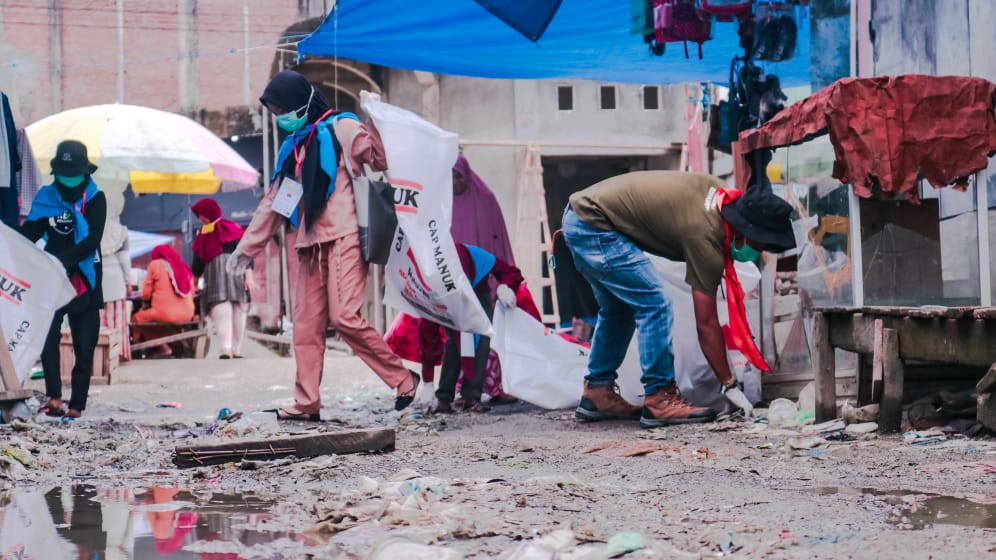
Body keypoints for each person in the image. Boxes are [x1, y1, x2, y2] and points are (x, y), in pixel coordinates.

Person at [230, 70, 419, 420]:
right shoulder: (293, 148)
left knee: (345, 317)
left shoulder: (342, 128)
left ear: (301, 102)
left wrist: (374, 119)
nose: (279, 117)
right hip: (308, 245)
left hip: (345, 236)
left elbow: (380, 158)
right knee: (305, 327)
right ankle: (306, 403)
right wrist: (246, 250)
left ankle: (403, 378)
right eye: (275, 111)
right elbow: (276, 202)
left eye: (282, 108)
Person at [563, 169, 796, 428]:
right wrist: (729, 384)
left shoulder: (719, 196)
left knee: (620, 308)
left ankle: (598, 392)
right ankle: (660, 397)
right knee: (655, 303)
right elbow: (706, 324)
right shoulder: (705, 236)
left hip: (582, 216)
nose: (759, 251)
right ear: (746, 230)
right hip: (594, 223)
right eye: (761, 244)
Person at [20, 140, 105, 418]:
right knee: (48, 338)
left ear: (85, 173)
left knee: (84, 343)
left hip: (85, 278)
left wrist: (62, 260)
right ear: (56, 173)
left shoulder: (95, 198)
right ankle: (54, 397)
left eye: (74, 175)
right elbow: (29, 234)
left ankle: (77, 404)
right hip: (51, 280)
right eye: (64, 176)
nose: (69, 182)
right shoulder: (46, 197)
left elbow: (92, 239)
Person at [418, 243, 524, 413]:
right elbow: (428, 332)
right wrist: (427, 379)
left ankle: (472, 396)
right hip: (446, 299)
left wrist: (506, 286)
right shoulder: (431, 282)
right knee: (454, 341)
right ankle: (444, 397)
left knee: (480, 340)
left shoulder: (476, 257)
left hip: (477, 290)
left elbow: (511, 272)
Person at [191, 198, 248, 359]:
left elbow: (198, 261)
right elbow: (247, 251)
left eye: (200, 215)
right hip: (234, 271)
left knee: (226, 307)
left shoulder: (205, 234)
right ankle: (229, 348)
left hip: (221, 274)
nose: (200, 219)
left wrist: (195, 281)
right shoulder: (233, 228)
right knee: (232, 308)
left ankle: (229, 348)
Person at [132, 245, 196, 357]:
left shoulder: (155, 264)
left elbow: (146, 295)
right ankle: (175, 345)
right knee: (159, 321)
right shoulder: (183, 266)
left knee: (138, 318)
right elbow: (193, 293)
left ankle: (160, 347)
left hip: (164, 313)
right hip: (188, 313)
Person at [100, 203, 131, 361]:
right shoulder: (121, 232)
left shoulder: (90, 226)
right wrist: (128, 281)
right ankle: (117, 353)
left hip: (95, 277)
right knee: (116, 318)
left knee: (98, 318)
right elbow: (124, 259)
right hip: (115, 278)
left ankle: (99, 355)